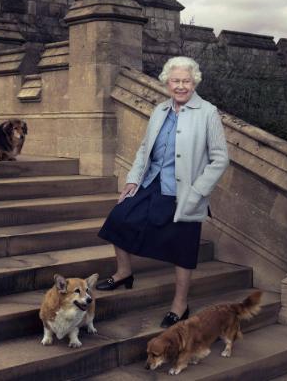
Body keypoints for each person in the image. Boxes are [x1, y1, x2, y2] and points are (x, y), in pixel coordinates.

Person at [96, 56, 229, 328]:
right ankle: (124, 273)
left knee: (182, 247)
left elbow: (220, 158)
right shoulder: (160, 110)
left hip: (184, 192)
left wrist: (198, 192)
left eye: (186, 81)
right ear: (167, 82)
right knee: (118, 219)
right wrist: (133, 180)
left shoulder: (207, 112)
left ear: (195, 83)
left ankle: (180, 305)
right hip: (152, 182)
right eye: (175, 81)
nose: (180, 86)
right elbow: (145, 149)